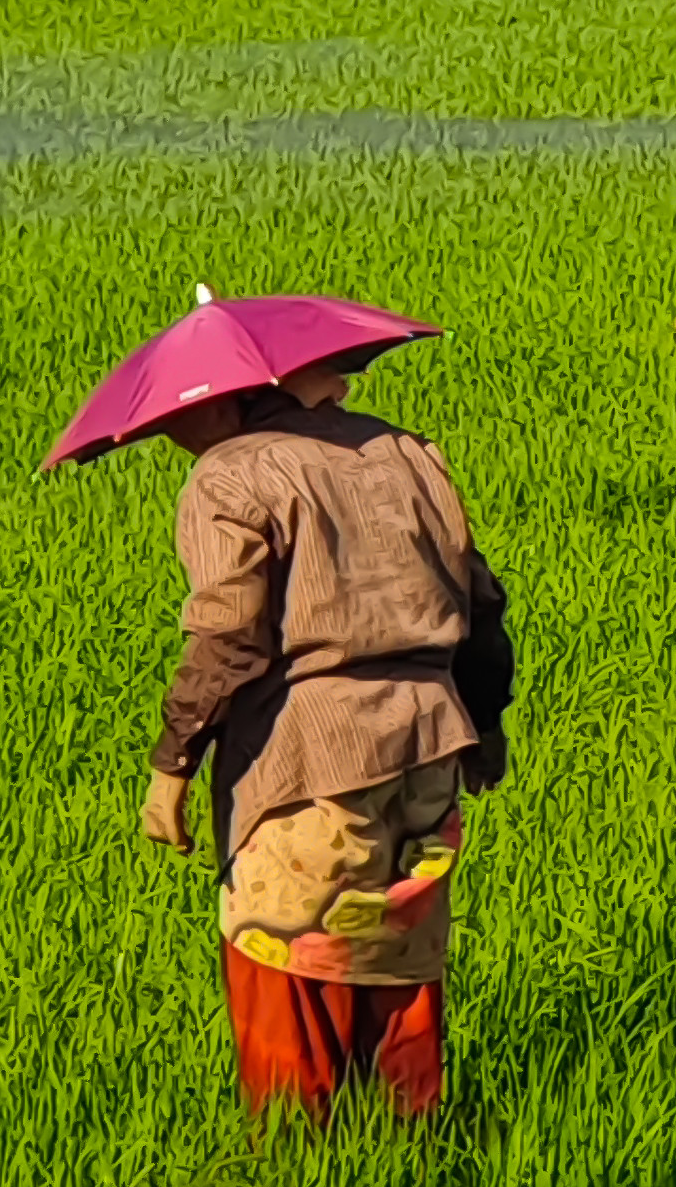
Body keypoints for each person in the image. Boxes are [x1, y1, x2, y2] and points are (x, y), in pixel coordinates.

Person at [142, 357, 514, 1123]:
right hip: (428, 749)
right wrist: (484, 727)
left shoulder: (229, 476)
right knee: (399, 964)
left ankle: (297, 1156)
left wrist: (172, 763)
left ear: (223, 402)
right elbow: (481, 607)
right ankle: (410, 1147)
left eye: (172, 416)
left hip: (306, 765)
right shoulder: (407, 453)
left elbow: (229, 639)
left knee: (286, 966)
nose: (168, 434)